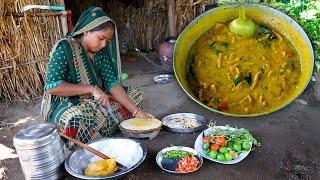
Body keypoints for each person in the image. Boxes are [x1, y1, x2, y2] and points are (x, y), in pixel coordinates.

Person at [41, 6, 153, 149]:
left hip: (95, 100)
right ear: (86, 31)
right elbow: (52, 87)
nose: (104, 44)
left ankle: (100, 129)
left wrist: (136, 111)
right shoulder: (65, 49)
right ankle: (95, 132)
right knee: (75, 119)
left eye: (107, 40)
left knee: (134, 96)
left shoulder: (101, 52)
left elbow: (112, 83)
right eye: (101, 38)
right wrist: (91, 88)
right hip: (68, 102)